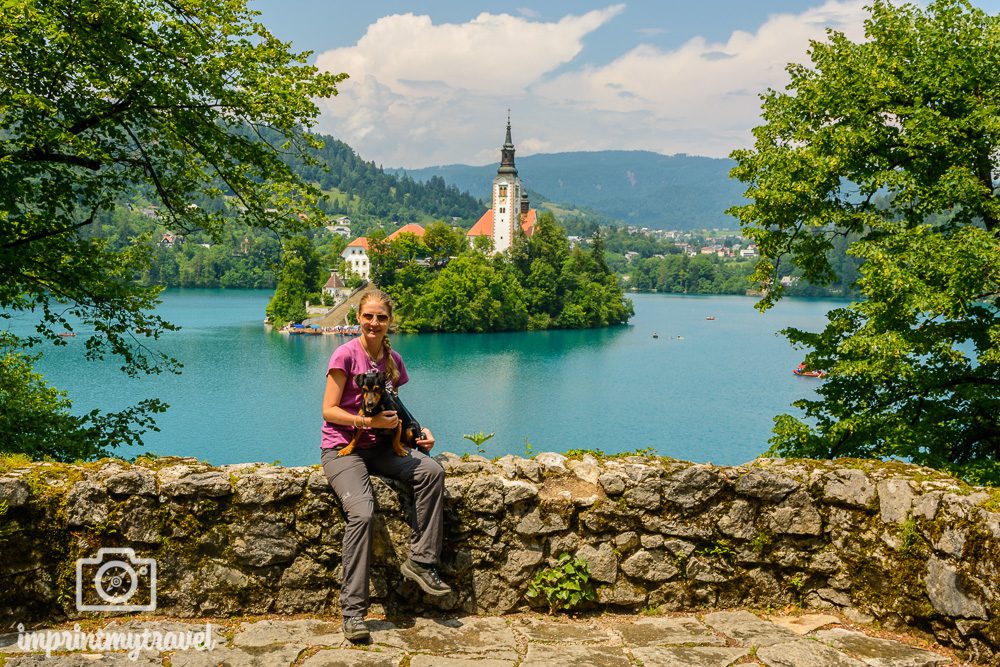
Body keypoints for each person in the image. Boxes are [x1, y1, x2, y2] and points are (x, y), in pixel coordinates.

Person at [320, 289, 451, 643]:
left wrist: (418, 432)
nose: (374, 323)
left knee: (432, 471)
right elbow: (329, 410)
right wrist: (366, 425)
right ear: (358, 318)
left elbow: (395, 402)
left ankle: (422, 561)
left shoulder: (392, 359)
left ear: (389, 321)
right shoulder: (345, 355)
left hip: (381, 448)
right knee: (362, 513)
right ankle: (353, 613)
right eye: (368, 316)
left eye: (381, 317)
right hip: (343, 450)